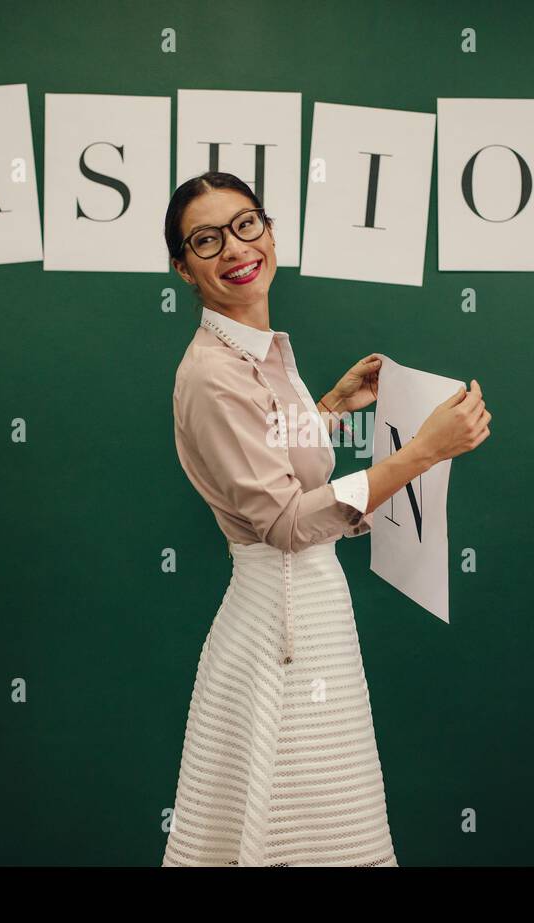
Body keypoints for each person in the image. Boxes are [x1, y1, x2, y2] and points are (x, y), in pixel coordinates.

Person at [161, 171, 491, 866]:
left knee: (315, 832)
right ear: (184, 269)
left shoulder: (257, 352)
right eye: (207, 240)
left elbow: (275, 464)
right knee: (303, 836)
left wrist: (332, 407)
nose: (235, 248)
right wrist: (422, 453)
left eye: (246, 224)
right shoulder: (215, 374)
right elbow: (285, 523)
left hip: (307, 619)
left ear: (269, 230)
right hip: (280, 636)